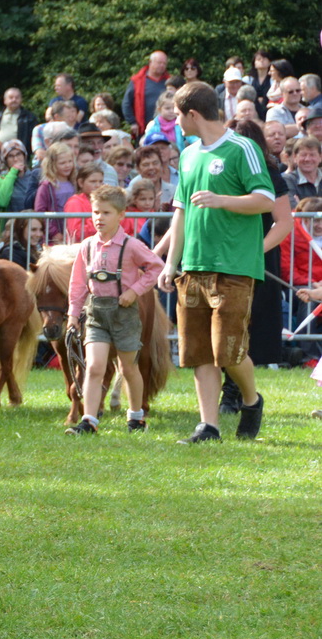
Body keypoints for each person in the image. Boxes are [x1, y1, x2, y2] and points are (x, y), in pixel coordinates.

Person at [158, 82, 277, 443]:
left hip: (234, 265)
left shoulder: (243, 148)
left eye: (178, 115)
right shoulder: (188, 155)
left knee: (228, 350)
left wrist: (222, 199)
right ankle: (208, 426)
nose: (176, 123)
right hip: (193, 266)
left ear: (192, 114)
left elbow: (265, 199)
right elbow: (180, 212)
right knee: (199, 352)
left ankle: (251, 400)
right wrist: (170, 264)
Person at [61, 185, 163, 434]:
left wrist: (134, 291)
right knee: (94, 367)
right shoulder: (87, 246)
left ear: (121, 215)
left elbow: (156, 267)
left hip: (124, 314)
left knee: (128, 368)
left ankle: (136, 417)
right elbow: (77, 284)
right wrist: (73, 313)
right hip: (96, 313)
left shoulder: (131, 245)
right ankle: (89, 420)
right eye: (96, 212)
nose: (99, 218)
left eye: (106, 213)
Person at [122, 51, 169, 136]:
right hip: (143, 128)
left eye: (164, 63)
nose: (162, 65)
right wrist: (132, 122)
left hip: (167, 128)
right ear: (150, 62)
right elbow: (126, 103)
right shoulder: (137, 81)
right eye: (159, 63)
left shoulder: (169, 81)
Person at [31, 141, 79, 217]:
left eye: (70, 161)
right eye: (62, 163)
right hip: (55, 224)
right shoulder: (46, 186)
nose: (67, 165)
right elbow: (40, 210)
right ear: (52, 165)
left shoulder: (74, 182)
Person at [0, 140, 38, 211]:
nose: (15, 159)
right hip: (10, 218)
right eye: (10, 156)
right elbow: (1, 202)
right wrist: (13, 172)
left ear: (24, 156)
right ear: (5, 160)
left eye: (18, 154)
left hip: (33, 218)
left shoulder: (35, 178)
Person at [63, 165, 106, 242]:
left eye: (100, 181)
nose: (98, 185)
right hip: (80, 246)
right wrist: (98, 220)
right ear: (80, 183)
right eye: (93, 181)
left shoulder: (104, 201)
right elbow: (76, 234)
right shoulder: (74, 202)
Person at [0, 87, 37, 152]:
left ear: (21, 100)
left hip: (18, 152)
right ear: (5, 101)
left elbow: (33, 138)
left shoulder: (29, 117)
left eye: (17, 97)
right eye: (11, 98)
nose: (14, 100)